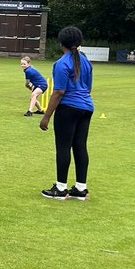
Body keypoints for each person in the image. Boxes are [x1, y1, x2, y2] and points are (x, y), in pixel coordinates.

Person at [38, 26, 93, 200]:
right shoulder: (86, 62)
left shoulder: (62, 63)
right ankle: (80, 188)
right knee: (80, 146)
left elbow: (59, 92)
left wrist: (46, 116)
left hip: (68, 108)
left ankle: (61, 188)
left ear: (61, 43)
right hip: (86, 107)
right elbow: (88, 88)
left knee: (63, 147)